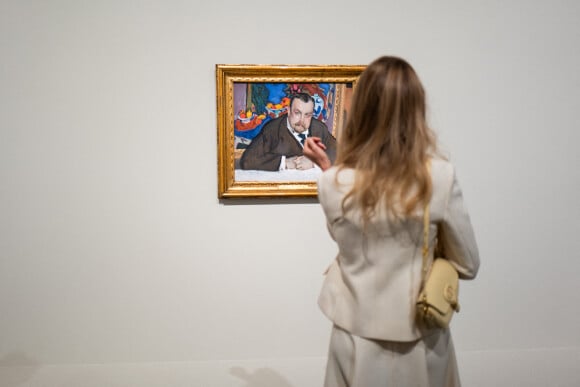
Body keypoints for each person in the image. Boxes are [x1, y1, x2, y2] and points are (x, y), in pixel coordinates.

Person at [303, 56, 480, 387]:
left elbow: (343, 236)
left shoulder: (331, 183)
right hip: (421, 339)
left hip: (352, 337)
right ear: (416, 109)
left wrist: (330, 168)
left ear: (361, 110)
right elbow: (468, 265)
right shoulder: (438, 177)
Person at [239, 93, 337, 171]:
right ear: (289, 111)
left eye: (307, 115)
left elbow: (342, 154)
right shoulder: (273, 129)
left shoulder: (319, 128)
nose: (302, 120)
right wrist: (284, 162)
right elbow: (247, 160)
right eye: (297, 113)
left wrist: (314, 162)